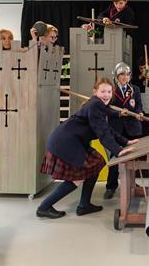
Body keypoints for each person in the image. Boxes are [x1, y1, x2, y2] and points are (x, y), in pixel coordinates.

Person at [36, 77, 138, 219]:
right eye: (103, 91)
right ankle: (44, 207)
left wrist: (126, 142)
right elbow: (103, 132)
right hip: (66, 143)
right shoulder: (95, 105)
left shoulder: (99, 105)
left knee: (96, 163)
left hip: (73, 141)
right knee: (76, 178)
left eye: (109, 91)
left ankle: (84, 205)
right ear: (95, 92)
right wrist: (118, 150)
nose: (106, 95)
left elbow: (108, 126)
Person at [104, 62, 144, 199]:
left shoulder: (135, 89)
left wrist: (140, 113)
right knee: (115, 157)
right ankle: (111, 186)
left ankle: (133, 183)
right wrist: (119, 114)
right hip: (117, 128)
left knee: (133, 157)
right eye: (122, 74)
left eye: (127, 74)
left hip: (133, 128)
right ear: (116, 76)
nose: (125, 77)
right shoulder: (110, 90)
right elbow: (107, 110)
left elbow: (138, 105)